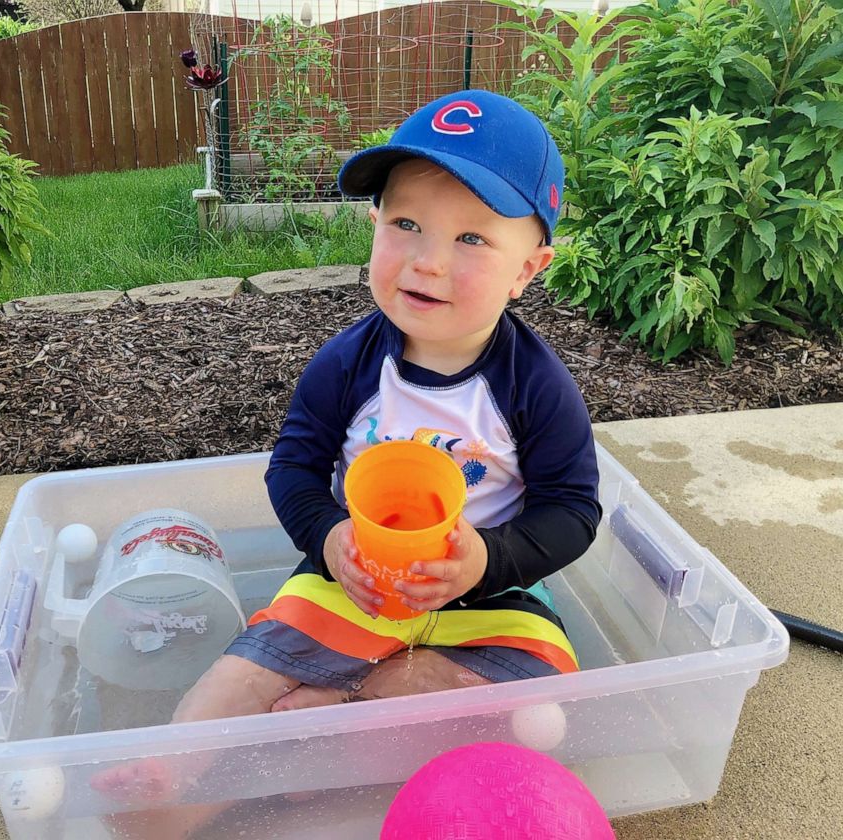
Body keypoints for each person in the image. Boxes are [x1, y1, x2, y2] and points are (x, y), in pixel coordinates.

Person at [91, 88, 603, 838]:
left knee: (540, 708)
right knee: (250, 663)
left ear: (528, 269)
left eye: (471, 240)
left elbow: (574, 509)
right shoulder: (348, 364)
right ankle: (176, 775)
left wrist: (487, 560)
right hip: (352, 578)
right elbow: (293, 470)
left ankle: (339, 710)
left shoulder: (534, 385)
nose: (427, 260)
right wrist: (329, 539)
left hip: (489, 597)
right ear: (374, 226)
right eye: (406, 224)